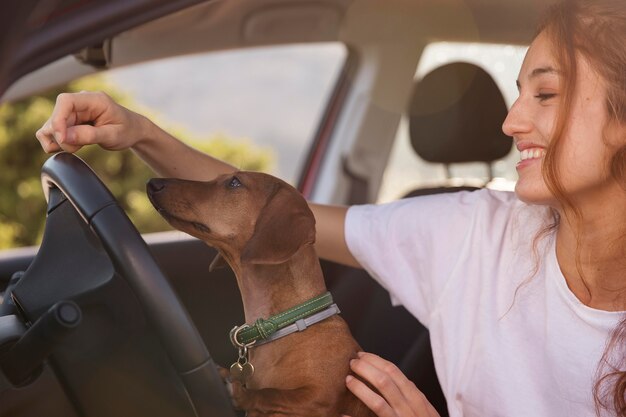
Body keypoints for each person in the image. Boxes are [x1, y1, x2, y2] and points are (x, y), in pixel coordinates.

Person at [35, 0, 625, 415]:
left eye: (545, 93)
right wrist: (139, 132)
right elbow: (266, 209)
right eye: (518, 91)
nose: (510, 120)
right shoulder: (473, 232)